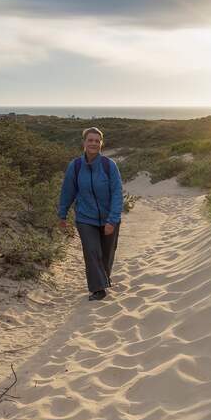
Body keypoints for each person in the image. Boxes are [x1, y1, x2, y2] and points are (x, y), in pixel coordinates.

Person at [57, 127, 123, 301]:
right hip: (86, 218)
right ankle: (98, 289)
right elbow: (67, 191)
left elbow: (117, 193)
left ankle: (104, 279)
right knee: (92, 251)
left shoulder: (109, 166)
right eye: (90, 140)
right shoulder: (76, 166)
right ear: (84, 143)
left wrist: (112, 220)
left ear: (101, 144)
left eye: (97, 140)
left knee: (107, 253)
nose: (93, 143)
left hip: (109, 218)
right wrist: (62, 214)